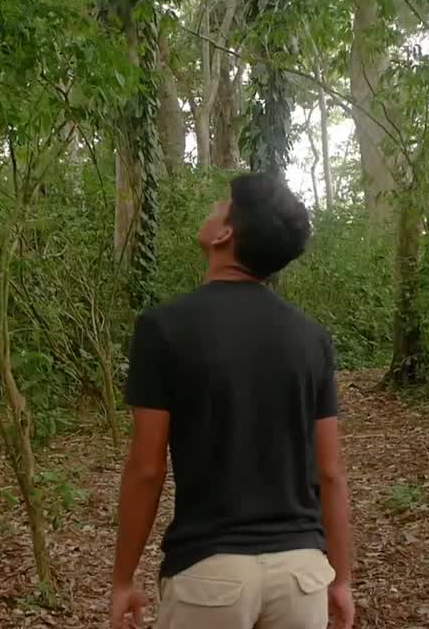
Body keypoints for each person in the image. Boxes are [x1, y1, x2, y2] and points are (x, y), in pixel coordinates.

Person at [109, 173, 354, 629]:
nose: (213, 209)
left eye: (220, 206)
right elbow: (330, 471)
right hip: (302, 576)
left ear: (225, 234)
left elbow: (147, 467)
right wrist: (340, 580)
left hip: (210, 577)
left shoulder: (164, 328)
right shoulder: (311, 338)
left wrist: (123, 578)